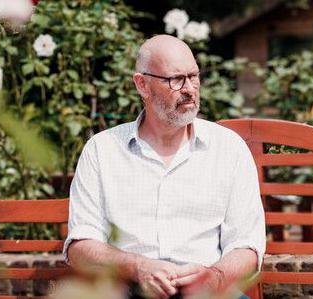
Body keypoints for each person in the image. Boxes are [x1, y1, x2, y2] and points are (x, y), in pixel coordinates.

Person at [64, 34, 266, 299]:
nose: (189, 89)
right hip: (125, 291)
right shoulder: (102, 150)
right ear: (142, 85)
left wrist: (214, 278)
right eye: (175, 79)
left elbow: (247, 246)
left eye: (193, 76)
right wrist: (139, 268)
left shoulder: (229, 149)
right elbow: (80, 246)